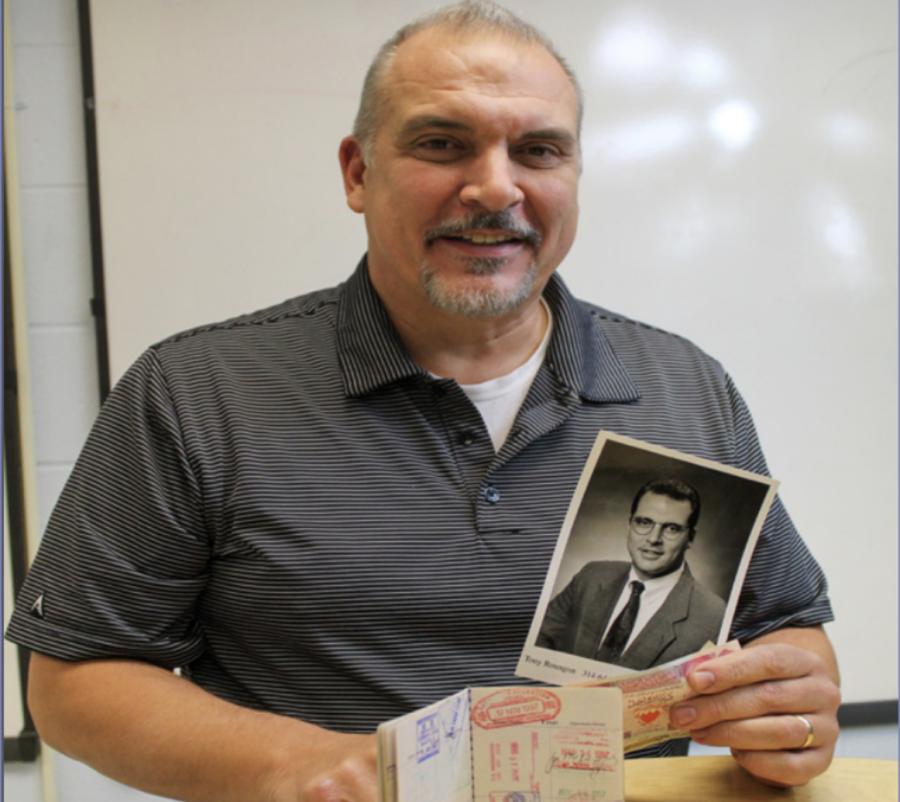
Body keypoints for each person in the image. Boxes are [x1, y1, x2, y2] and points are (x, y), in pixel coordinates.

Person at [7, 2, 840, 800]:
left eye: (540, 152)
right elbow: (75, 680)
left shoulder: (685, 387)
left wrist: (795, 711)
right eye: (444, 144)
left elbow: (791, 633)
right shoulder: (196, 393)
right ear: (358, 172)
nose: (494, 188)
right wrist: (310, 770)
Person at [536, 479, 726, 669]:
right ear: (630, 525)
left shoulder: (714, 617)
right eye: (644, 522)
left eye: (671, 528)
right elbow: (537, 641)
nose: (653, 539)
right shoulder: (591, 576)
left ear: (690, 538)